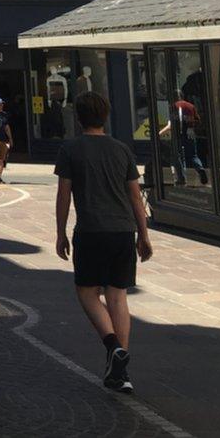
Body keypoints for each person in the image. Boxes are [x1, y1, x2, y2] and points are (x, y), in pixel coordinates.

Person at [54, 91, 152, 394]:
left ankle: (113, 347)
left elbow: (64, 195)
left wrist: (60, 232)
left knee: (86, 293)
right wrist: (144, 234)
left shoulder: (71, 149)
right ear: (106, 116)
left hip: (91, 230)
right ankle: (120, 373)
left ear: (78, 117)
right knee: (118, 297)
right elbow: (135, 196)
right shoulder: (122, 150)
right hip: (123, 231)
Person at [158, 90, 209, 186]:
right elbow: (198, 121)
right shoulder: (191, 106)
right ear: (182, 96)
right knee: (193, 155)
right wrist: (191, 127)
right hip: (190, 134)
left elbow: (171, 125)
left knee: (177, 156)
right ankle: (200, 168)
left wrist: (160, 133)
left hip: (177, 136)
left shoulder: (173, 106)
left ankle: (181, 178)